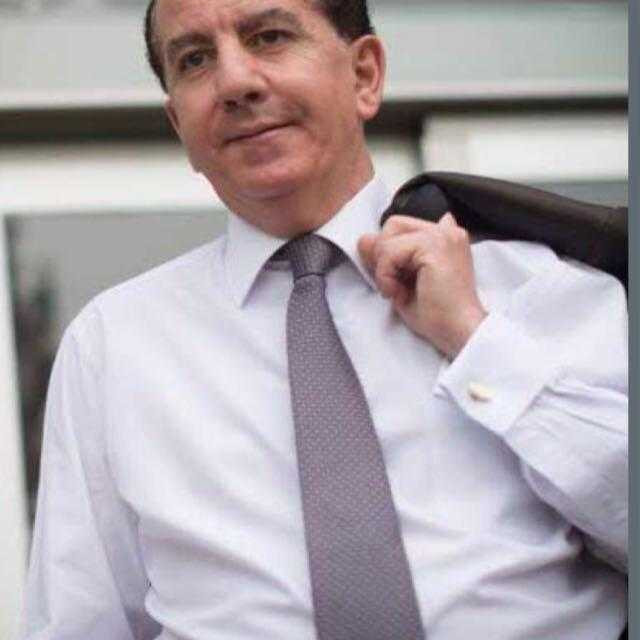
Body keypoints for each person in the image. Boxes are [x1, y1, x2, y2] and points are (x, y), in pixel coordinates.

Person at [20, 0, 627, 638]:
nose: (235, 82)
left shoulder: (535, 284)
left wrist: (476, 339)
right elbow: (78, 624)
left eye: (269, 37)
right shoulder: (114, 344)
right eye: (195, 60)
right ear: (179, 124)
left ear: (365, 74)